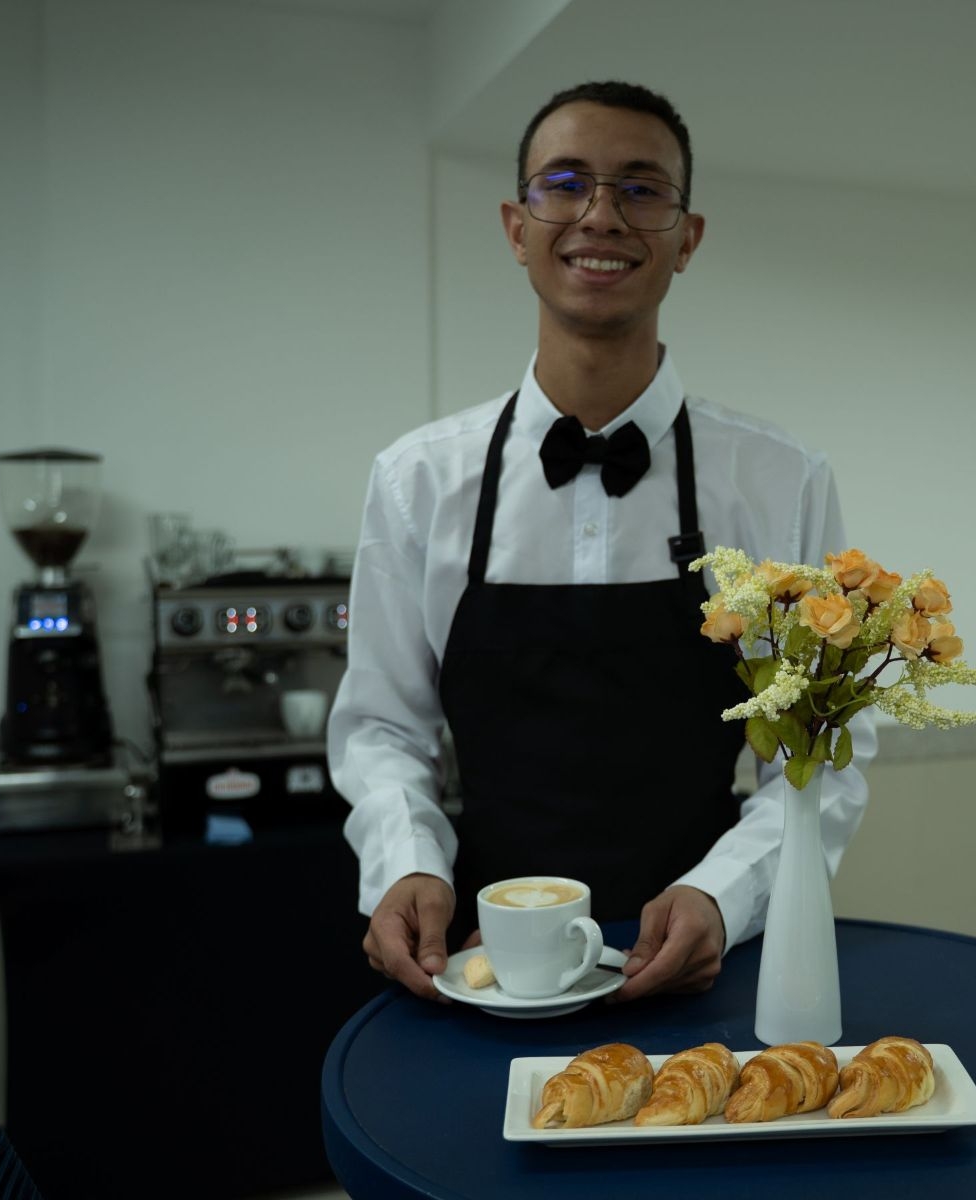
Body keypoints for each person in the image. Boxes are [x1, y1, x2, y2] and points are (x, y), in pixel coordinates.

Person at [328, 80, 875, 1005]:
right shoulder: (417, 481)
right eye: (565, 183)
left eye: (641, 189)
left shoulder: (783, 484)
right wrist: (402, 863)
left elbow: (824, 752)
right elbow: (384, 726)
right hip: (477, 961)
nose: (600, 215)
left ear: (687, 237)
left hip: (706, 958)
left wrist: (721, 894)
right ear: (517, 226)